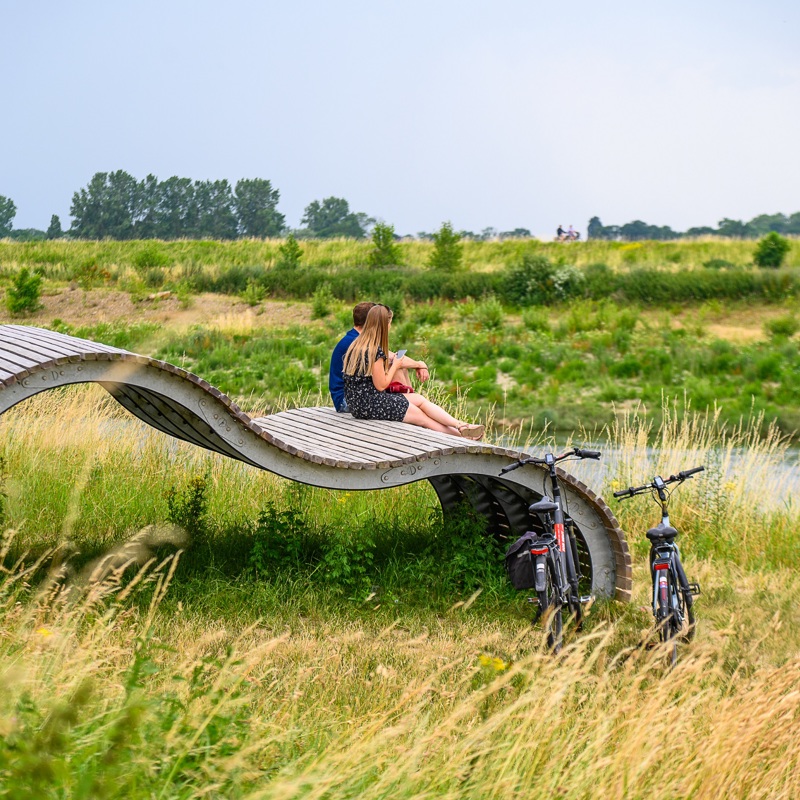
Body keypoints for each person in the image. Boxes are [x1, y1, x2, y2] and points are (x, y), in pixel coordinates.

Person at [342, 304, 484, 439]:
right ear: (383, 325)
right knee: (422, 418)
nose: (390, 327)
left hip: (357, 403)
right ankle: (463, 438)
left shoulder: (356, 344)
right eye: (390, 323)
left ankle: (461, 425)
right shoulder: (374, 350)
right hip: (370, 405)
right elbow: (381, 385)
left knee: (419, 400)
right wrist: (395, 366)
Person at [329, 301, 430, 412]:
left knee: (398, 367)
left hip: (354, 396)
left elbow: (394, 357)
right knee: (394, 367)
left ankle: (412, 406)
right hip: (347, 401)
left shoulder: (356, 337)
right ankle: (411, 408)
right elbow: (394, 358)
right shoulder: (356, 342)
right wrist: (420, 364)